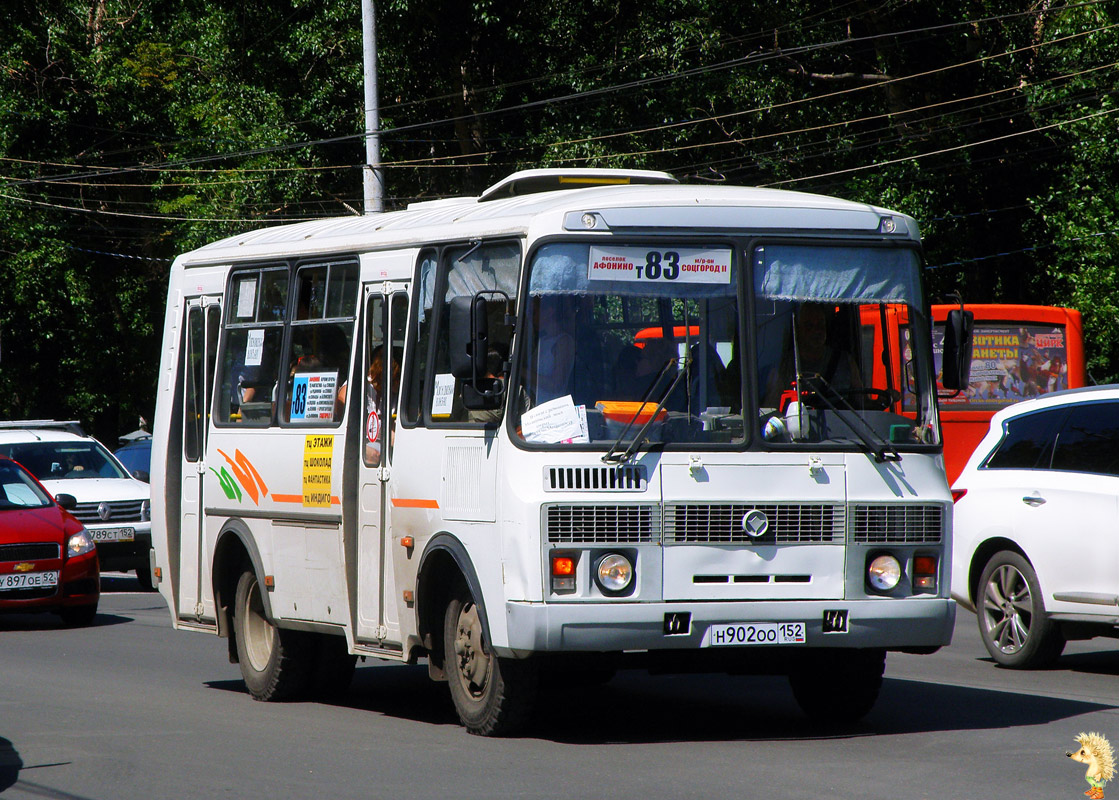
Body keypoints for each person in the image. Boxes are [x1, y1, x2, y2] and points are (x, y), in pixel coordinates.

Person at [764, 302, 861, 409]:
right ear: (798, 330)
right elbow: (771, 412)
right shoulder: (784, 368)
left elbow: (863, 405)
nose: (816, 331)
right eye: (809, 326)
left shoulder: (846, 362)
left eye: (820, 324)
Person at [532, 298, 575, 403]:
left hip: (552, 409)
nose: (531, 317)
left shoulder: (564, 341)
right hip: (534, 405)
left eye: (534, 312)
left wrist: (523, 372)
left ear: (549, 312)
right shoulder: (542, 340)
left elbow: (556, 385)